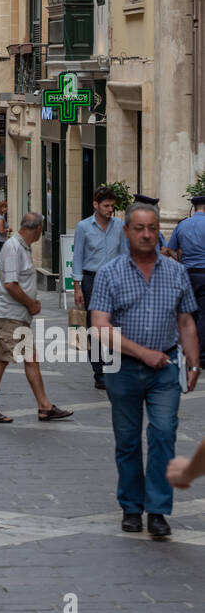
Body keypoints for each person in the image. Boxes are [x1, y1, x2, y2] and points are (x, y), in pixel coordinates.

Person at [90, 202, 199, 539]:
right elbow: (99, 327)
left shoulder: (176, 272)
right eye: (139, 228)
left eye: (152, 228)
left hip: (165, 367)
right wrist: (142, 353)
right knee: (127, 440)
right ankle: (132, 507)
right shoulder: (109, 273)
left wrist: (194, 362)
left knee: (164, 434)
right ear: (127, 231)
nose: (147, 234)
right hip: (122, 368)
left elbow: (186, 321)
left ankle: (158, 511)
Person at [0, 211, 73, 424]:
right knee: (2, 360)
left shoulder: (22, 247)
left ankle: (44, 406)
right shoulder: (14, 249)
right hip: (10, 316)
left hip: (17, 317)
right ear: (39, 229)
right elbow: (11, 285)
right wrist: (31, 303)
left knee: (30, 360)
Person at [72, 186, 126, 389]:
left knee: (115, 324)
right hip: (91, 280)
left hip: (115, 280)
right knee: (94, 327)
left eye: (112, 206)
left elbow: (124, 255)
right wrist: (77, 287)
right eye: (106, 205)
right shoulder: (83, 227)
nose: (110, 209)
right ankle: (98, 371)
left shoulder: (119, 226)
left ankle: (113, 368)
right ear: (96, 205)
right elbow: (77, 257)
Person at [167, 192, 205, 373]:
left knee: (190, 315)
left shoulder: (182, 225)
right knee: (204, 316)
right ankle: (200, 355)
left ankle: (188, 352)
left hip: (188, 274)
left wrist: (183, 262)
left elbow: (170, 249)